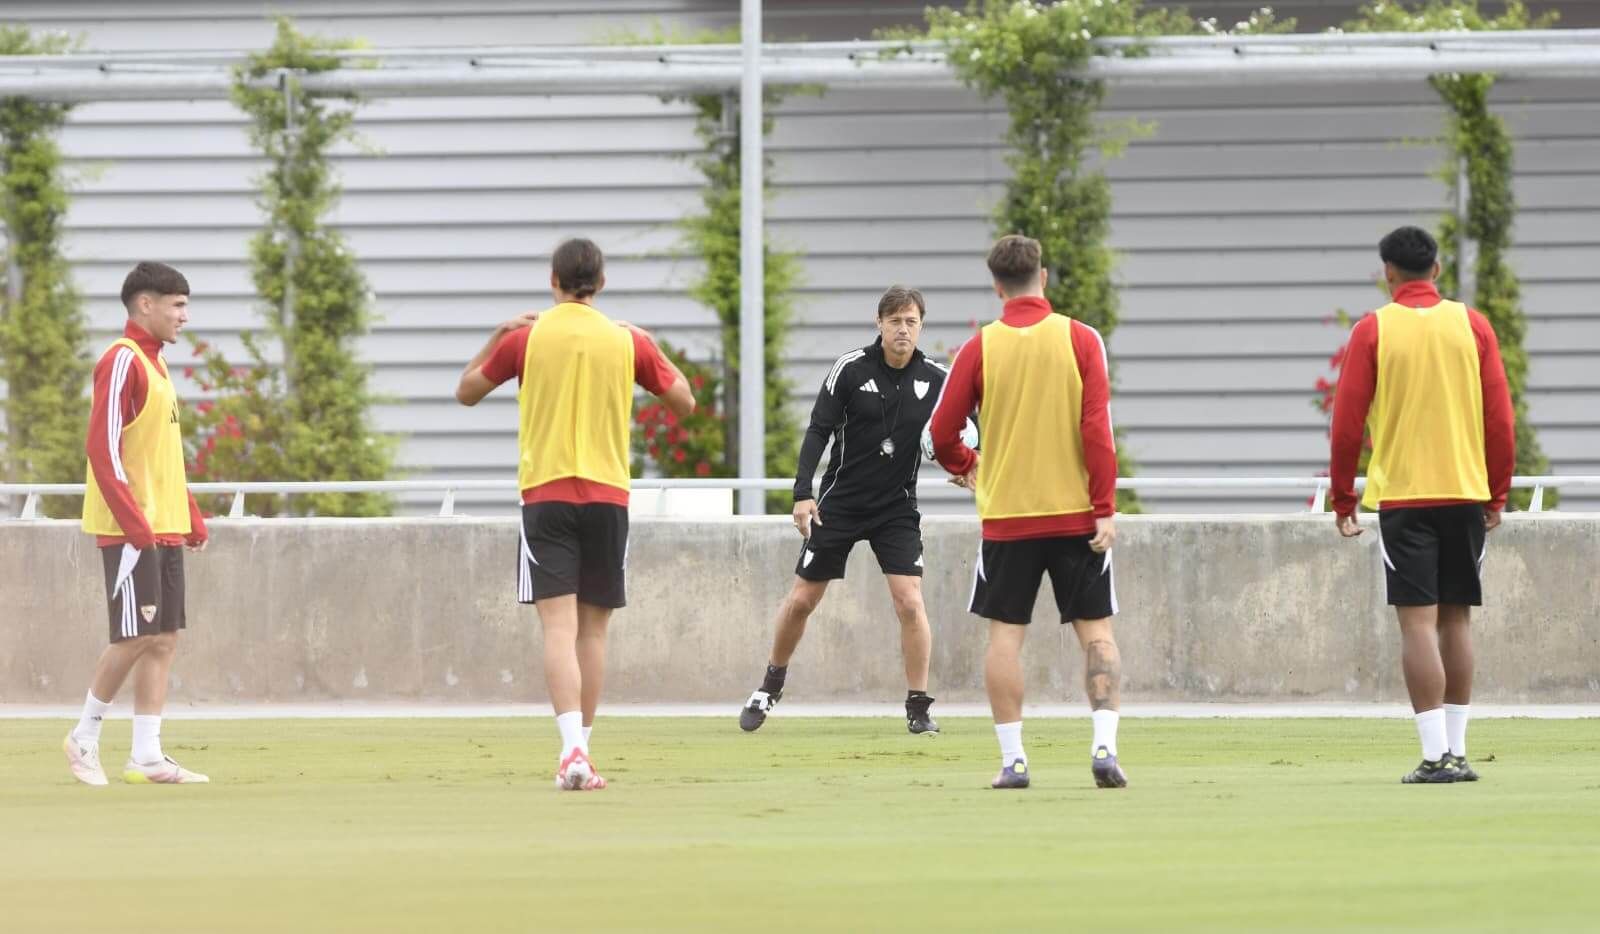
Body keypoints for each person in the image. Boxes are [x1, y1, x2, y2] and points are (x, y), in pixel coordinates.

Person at [456, 237, 694, 791]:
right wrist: (651, 347)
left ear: (553, 281)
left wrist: (496, 334)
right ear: (602, 284)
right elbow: (684, 401)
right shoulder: (627, 340)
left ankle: (572, 751)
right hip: (608, 496)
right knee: (594, 632)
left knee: (557, 629)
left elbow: (466, 392)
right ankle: (584, 750)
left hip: (546, 494)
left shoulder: (526, 337)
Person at [930, 235, 1124, 790]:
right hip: (1076, 515)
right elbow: (1097, 431)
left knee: (1005, 640)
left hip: (1008, 518)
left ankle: (1014, 761)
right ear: (1043, 277)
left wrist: (969, 464)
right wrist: (1105, 507)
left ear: (996, 285)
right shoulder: (1081, 339)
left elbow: (942, 432)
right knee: (1097, 632)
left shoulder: (979, 347)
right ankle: (1104, 747)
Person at [1329, 225, 1514, 785]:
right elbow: (1500, 418)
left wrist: (1343, 496)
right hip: (1463, 490)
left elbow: (1347, 421)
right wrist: (1497, 491)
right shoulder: (1472, 324)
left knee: (1417, 624)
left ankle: (1435, 756)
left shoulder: (1374, 329)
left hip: (1405, 497)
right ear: (1436, 270)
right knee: (1457, 618)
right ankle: (1458, 752)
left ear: (1389, 273)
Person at [738, 286, 953, 736]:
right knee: (801, 601)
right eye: (894, 320)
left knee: (911, 603)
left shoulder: (936, 378)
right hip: (842, 503)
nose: (902, 329)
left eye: (911, 321)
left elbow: (961, 429)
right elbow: (818, 429)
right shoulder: (850, 369)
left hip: (897, 508)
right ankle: (771, 682)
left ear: (921, 327)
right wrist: (802, 492)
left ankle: (918, 705)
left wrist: (968, 463)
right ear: (879, 323)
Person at [65, 262, 210, 786]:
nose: (184, 317)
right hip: (132, 530)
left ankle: (147, 754)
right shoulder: (121, 361)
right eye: (176, 306)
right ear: (144, 304)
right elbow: (101, 450)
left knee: (164, 638)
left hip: (163, 525)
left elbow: (161, 453)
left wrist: (189, 515)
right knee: (133, 635)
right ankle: (83, 736)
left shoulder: (159, 366)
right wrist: (135, 526)